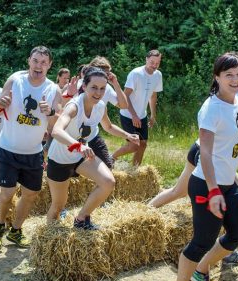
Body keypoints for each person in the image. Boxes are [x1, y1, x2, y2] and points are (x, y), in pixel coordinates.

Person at [150, 58, 238, 267]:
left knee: (196, 193)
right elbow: (218, 141)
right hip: (204, 152)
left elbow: (237, 130)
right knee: (182, 192)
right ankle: (149, 210)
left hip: (217, 154)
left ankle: (225, 249)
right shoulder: (223, 101)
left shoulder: (236, 99)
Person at [168, 53, 238, 281]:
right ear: (217, 77)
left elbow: (236, 130)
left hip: (228, 181)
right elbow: (204, 153)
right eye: (229, 75)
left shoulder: (237, 101)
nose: (235, 80)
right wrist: (214, 190)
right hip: (207, 184)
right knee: (202, 241)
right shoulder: (211, 108)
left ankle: (201, 269)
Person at [46, 67, 139, 229]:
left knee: (108, 182)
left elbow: (108, 127)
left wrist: (127, 135)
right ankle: (48, 242)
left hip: (80, 157)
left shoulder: (100, 106)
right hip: (59, 159)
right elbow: (56, 131)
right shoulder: (74, 106)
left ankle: (81, 219)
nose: (98, 92)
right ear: (84, 87)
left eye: (102, 88)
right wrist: (78, 146)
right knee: (58, 207)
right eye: (94, 88)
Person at [0, 46, 62, 248]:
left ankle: (15, 230)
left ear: (49, 65)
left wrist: (49, 113)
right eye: (35, 60)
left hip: (33, 152)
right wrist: (1, 104)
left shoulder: (53, 90)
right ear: (29, 61)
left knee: (30, 194)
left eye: (43, 62)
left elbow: (57, 124)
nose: (38, 66)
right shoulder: (15, 80)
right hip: (8, 149)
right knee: (7, 193)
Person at [64, 56, 128, 168]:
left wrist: (116, 83)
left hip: (92, 134)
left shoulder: (106, 87)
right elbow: (61, 109)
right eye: (102, 73)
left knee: (108, 167)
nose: (105, 77)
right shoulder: (79, 85)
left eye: (107, 74)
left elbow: (123, 105)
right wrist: (68, 95)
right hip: (72, 133)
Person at [112, 49, 163, 166]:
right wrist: (134, 115)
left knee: (143, 144)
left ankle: (135, 170)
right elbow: (125, 96)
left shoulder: (158, 75)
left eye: (157, 63)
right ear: (146, 59)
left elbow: (153, 96)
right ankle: (112, 157)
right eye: (152, 62)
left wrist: (153, 115)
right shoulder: (136, 74)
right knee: (134, 145)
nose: (154, 65)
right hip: (128, 114)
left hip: (142, 115)